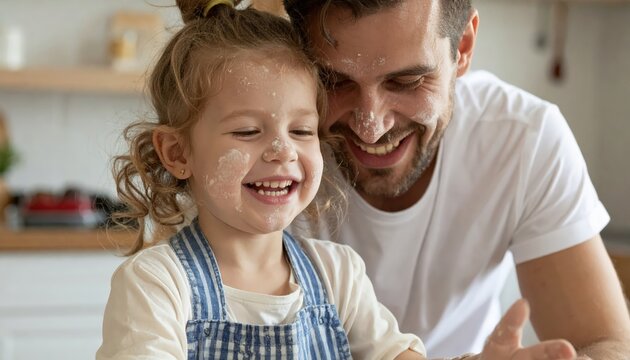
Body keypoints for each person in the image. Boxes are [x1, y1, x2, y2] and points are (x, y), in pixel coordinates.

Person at [96, 1, 583, 359]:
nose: (282, 151)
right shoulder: (159, 285)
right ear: (178, 153)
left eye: (303, 130)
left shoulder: (338, 275)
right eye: (247, 131)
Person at [283, 0, 630, 359]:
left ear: (463, 47)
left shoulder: (522, 138)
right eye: (335, 81)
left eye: (407, 81)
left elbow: (607, 343)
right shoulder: (261, 153)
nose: (370, 127)